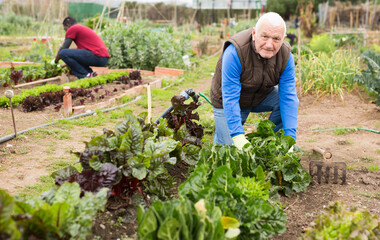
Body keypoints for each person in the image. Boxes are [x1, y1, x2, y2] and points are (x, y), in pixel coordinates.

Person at [210, 12, 299, 150]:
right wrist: (238, 136)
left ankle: (268, 143)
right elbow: (230, 97)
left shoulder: (286, 56)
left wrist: (290, 138)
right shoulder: (236, 51)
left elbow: (288, 97)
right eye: (264, 36)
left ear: (283, 39)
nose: (269, 44)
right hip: (227, 101)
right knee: (227, 151)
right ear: (254, 33)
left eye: (276, 39)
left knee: (283, 103)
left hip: (259, 95)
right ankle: (225, 137)